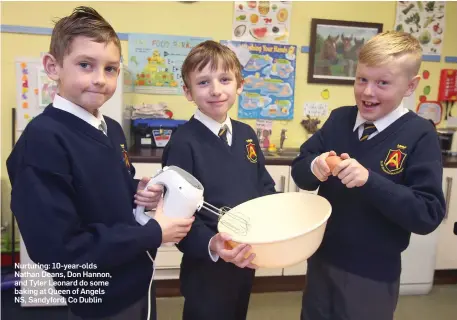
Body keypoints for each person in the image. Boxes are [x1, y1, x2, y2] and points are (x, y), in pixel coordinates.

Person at [7, 6, 194, 320]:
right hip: (100, 298)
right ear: (52, 67)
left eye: (110, 69)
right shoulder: (42, 142)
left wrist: (138, 190)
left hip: (136, 278)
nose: (99, 79)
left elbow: (109, 185)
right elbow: (60, 250)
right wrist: (153, 234)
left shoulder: (112, 128)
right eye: (85, 65)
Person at [291, 31, 445, 320]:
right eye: (362, 79)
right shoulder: (339, 119)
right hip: (322, 263)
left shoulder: (420, 134)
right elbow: (301, 171)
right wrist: (316, 165)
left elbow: (428, 214)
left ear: (410, 86)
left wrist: (369, 181)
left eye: (382, 83)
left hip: (373, 274)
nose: (367, 92)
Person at [161, 40, 277, 320]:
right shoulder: (183, 143)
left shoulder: (247, 134)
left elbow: (263, 184)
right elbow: (176, 215)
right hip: (207, 264)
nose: (215, 90)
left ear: (239, 84)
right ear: (188, 92)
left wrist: (275, 218)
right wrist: (212, 243)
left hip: (246, 257)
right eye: (203, 82)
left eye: (224, 79)